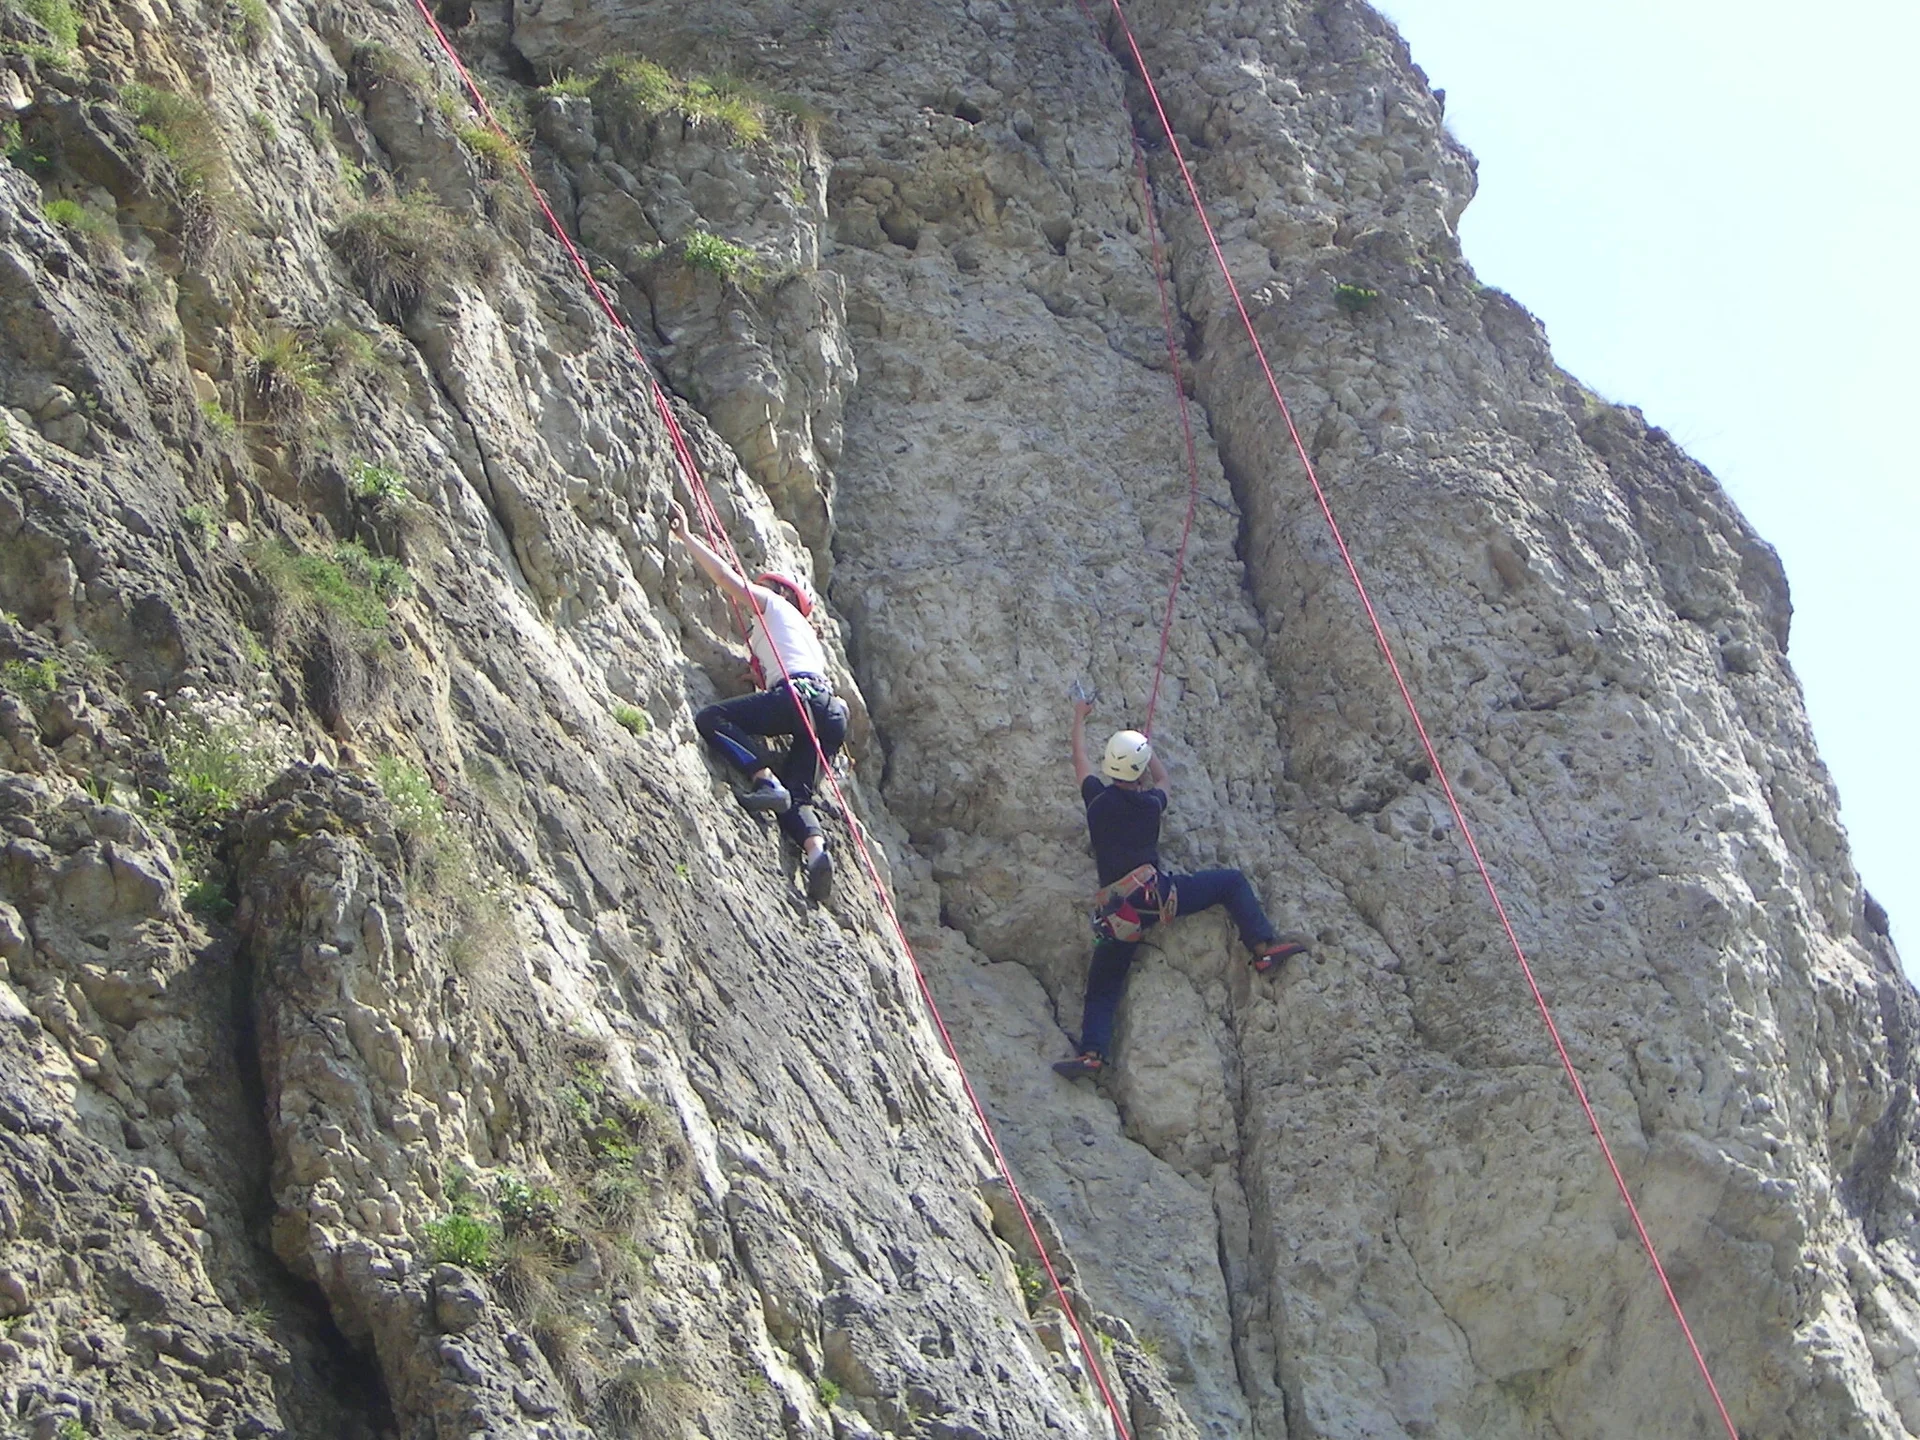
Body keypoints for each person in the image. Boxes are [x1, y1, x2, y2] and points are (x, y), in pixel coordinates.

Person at [1053, 695, 1307, 1078]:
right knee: (1231, 882)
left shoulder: (1097, 803)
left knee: (1104, 984)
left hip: (1120, 916)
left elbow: (1080, 762)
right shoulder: (1151, 806)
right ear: (1138, 773)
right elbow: (1163, 779)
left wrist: (1079, 717)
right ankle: (1263, 948)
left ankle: (1093, 1052)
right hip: (1159, 898)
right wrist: (1147, 747)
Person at [668, 503, 847, 902]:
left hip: (796, 696)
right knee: (797, 797)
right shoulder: (806, 637)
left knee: (712, 718)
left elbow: (723, 577)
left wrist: (686, 537)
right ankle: (816, 850)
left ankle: (763, 779)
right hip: (829, 711)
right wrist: (761, 677)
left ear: (783, 593)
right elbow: (783, 671)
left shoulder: (775, 606)